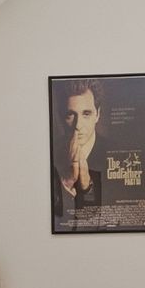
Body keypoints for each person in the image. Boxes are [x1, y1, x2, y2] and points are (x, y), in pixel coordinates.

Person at [50, 78, 106, 226]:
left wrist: (87, 186)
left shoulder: (115, 151)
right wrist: (67, 183)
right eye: (71, 115)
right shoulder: (50, 152)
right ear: (62, 117)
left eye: (86, 114)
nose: (78, 125)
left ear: (98, 114)